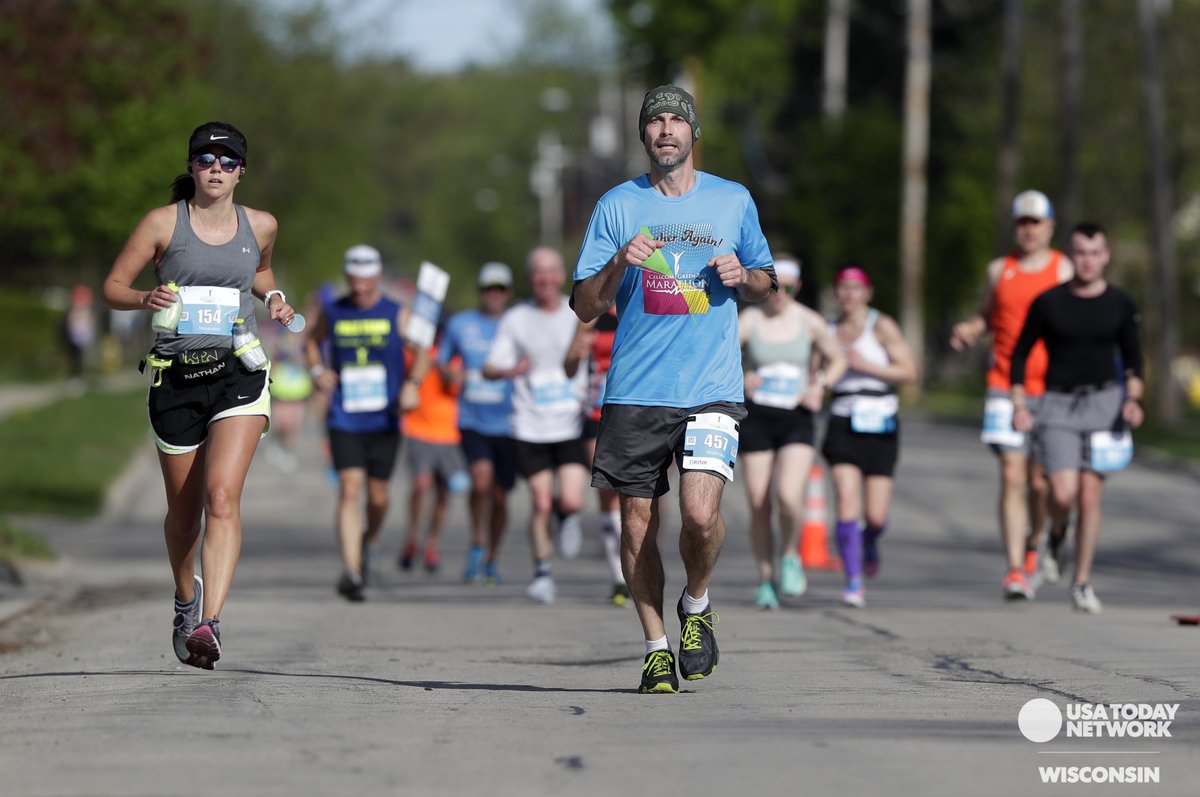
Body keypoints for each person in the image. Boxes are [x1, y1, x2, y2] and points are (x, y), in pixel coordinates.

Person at [571, 85, 775, 694]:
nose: (666, 130)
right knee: (637, 526)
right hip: (636, 389)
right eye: (655, 121)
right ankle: (656, 646)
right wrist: (618, 265)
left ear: (693, 133)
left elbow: (769, 281)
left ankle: (698, 601)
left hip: (711, 385)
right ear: (644, 135)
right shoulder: (616, 206)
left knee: (698, 512)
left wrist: (747, 276)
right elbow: (585, 306)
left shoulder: (733, 200)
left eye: (676, 121)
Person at [101, 121, 296, 669]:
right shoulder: (163, 223)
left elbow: (259, 271)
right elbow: (112, 287)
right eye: (206, 160)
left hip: (239, 373)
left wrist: (276, 296)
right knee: (183, 515)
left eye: (227, 161)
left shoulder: (260, 223)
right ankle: (186, 600)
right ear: (191, 166)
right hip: (177, 378)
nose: (216, 169)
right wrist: (144, 297)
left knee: (222, 499)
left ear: (241, 171)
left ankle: (209, 623)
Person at [1010, 222, 1143, 615]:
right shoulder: (1049, 302)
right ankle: (1055, 534)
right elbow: (1020, 354)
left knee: (1089, 495)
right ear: (1071, 257)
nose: (1087, 261)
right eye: (1080, 253)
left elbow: (1134, 359)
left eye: (1095, 253)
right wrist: (1020, 404)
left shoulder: (1120, 304)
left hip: (1105, 404)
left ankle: (1082, 583)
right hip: (1058, 405)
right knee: (1062, 493)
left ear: (1106, 256)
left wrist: (1132, 400)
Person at [949, 190, 1073, 600]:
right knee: (1011, 475)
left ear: (1050, 227)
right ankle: (1015, 569)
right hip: (1004, 384)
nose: (1029, 229)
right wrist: (971, 328)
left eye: (1036, 222)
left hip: (1051, 387)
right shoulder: (999, 269)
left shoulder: (1063, 269)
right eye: (1022, 221)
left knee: (1041, 485)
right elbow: (988, 314)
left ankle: (1038, 540)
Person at [304, 244, 429, 602]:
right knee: (349, 488)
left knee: (379, 496)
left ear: (377, 278)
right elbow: (311, 342)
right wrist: (317, 371)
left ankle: (368, 540)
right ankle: (352, 570)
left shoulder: (396, 312)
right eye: (353, 281)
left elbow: (422, 352)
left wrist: (412, 386)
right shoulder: (334, 310)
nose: (359, 289)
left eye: (366, 282)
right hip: (345, 416)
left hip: (385, 418)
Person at [737, 254, 846, 609]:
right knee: (757, 501)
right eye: (773, 285)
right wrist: (741, 378)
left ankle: (788, 554)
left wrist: (821, 385)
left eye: (787, 287)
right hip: (758, 416)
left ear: (797, 287)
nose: (779, 293)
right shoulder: (750, 319)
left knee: (787, 496)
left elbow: (838, 359)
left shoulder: (810, 322)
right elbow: (720, 355)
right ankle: (765, 577)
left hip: (797, 415)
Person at [483, 246, 589, 604]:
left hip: (570, 423)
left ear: (562, 276)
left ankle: (567, 516)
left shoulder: (579, 313)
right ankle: (543, 572)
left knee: (572, 499)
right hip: (529, 425)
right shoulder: (516, 318)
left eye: (551, 272)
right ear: (531, 279)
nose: (545, 279)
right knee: (541, 503)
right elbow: (489, 367)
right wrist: (509, 370)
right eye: (538, 273)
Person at [822, 264, 919, 608]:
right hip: (842, 420)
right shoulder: (828, 330)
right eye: (842, 287)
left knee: (876, 516)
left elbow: (909, 372)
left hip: (881, 421)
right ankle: (853, 581)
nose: (848, 294)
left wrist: (865, 366)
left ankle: (870, 540)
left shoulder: (882, 326)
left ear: (868, 293)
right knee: (847, 501)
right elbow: (816, 373)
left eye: (855, 288)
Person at [437, 262, 518, 585]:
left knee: (500, 497)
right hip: (472, 419)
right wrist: (449, 374)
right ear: (480, 292)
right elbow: (441, 359)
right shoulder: (460, 324)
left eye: (500, 289)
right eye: (488, 289)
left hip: (512, 421)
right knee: (481, 481)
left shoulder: (519, 324)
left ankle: (492, 556)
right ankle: (476, 541)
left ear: (508, 293)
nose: (494, 295)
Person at [563, 305, 631, 606]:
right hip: (597, 410)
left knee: (642, 494)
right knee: (608, 489)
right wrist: (578, 350)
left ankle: (639, 564)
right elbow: (568, 366)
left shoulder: (645, 297)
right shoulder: (593, 312)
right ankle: (619, 576)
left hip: (637, 409)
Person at [399, 334, 468, 575]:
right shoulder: (414, 351)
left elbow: (457, 384)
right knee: (421, 484)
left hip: (449, 434)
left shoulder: (453, 357)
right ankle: (413, 537)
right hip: (418, 429)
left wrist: (446, 369)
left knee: (444, 493)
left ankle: (432, 544)